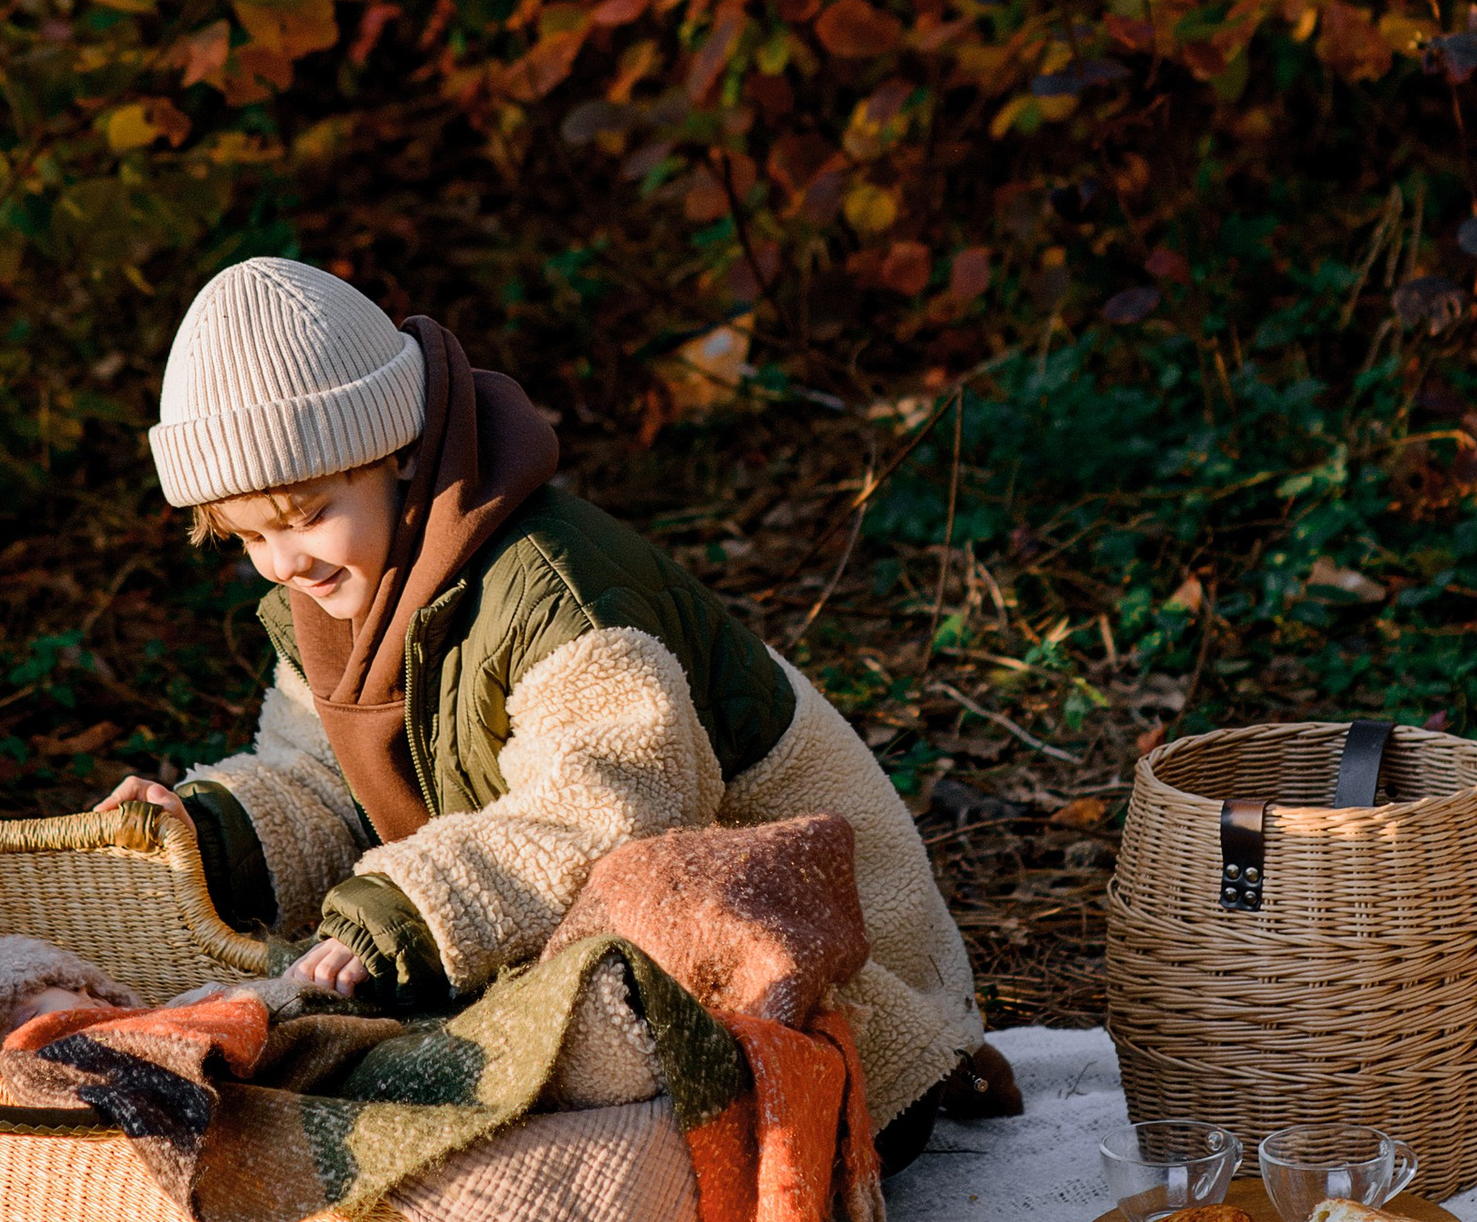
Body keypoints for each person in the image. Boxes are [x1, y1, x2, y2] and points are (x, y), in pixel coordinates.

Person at [96, 255, 1006, 1169]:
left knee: (526, 1130)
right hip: (602, 942)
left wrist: (411, 906)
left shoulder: (555, 588)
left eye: (304, 514)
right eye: (250, 534)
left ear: (402, 453)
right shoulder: (344, 594)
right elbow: (328, 780)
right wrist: (215, 832)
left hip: (817, 976)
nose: (283, 558)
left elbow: (606, 811)